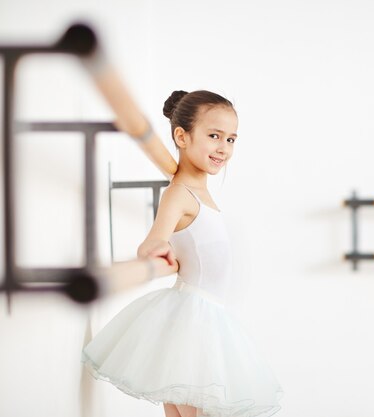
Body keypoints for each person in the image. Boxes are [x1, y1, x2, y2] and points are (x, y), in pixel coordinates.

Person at [81, 90, 283, 417]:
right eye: (214, 136)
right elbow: (153, 242)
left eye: (231, 139)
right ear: (182, 136)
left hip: (208, 320)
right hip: (195, 321)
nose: (224, 148)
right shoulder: (180, 193)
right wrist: (160, 251)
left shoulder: (201, 193)